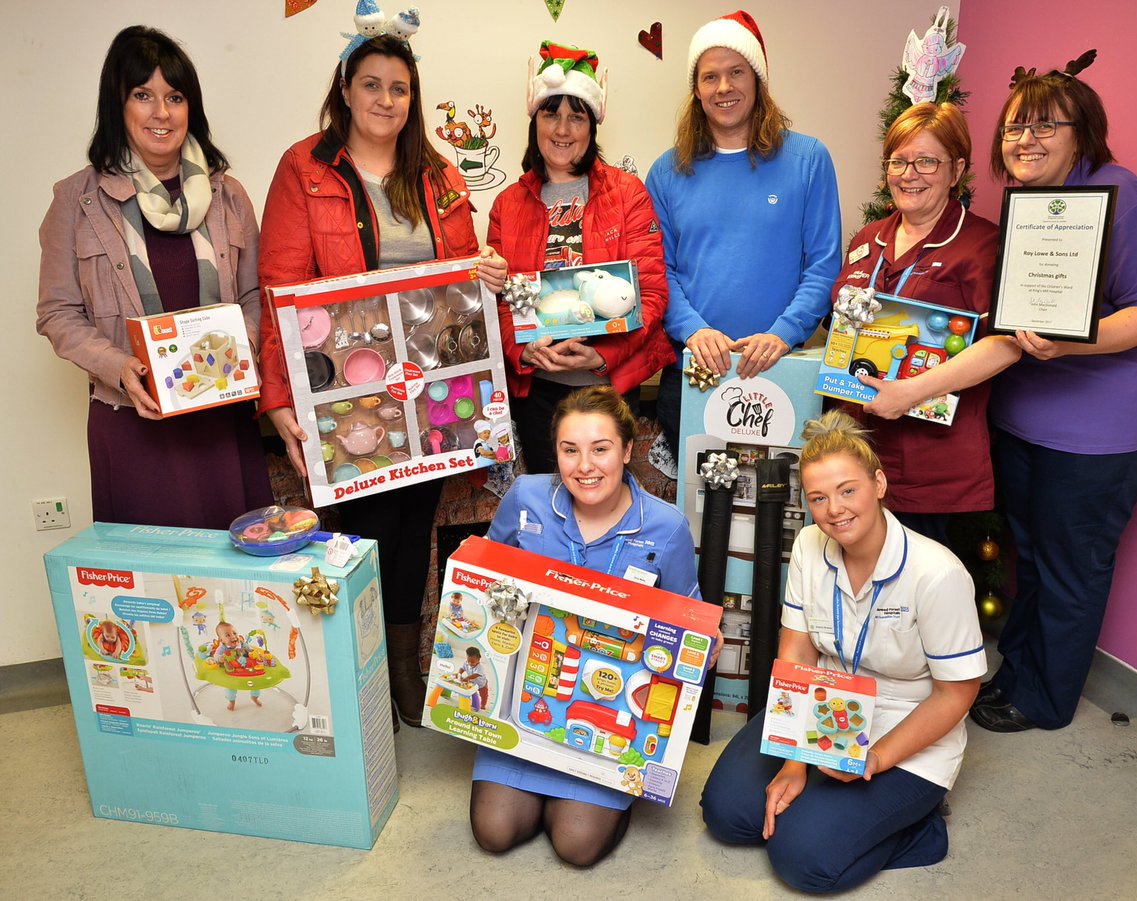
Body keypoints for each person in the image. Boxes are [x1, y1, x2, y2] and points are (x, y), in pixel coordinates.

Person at [255, 27, 507, 729]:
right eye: (371, 84)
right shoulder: (303, 168)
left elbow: (461, 275)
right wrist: (279, 400)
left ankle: (402, 670)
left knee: (413, 525)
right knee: (367, 525)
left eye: (399, 88)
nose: (386, 100)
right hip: (347, 385)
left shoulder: (439, 173)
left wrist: (485, 269)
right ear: (344, 88)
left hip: (429, 392)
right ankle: (366, 678)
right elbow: (279, 286)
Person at [969, 52, 1137, 733]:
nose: (1023, 141)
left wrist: (1072, 340)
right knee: (1031, 556)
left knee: (1070, 564)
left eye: (1042, 126)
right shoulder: (1030, 205)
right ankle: (1021, 669)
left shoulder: (1127, 198)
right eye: (1012, 129)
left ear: (1082, 133)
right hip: (1029, 419)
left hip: (1103, 431)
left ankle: (1045, 698)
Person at [701, 410, 985, 893]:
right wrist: (796, 759)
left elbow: (956, 695)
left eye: (848, 490)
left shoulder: (937, 573)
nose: (835, 509)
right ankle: (831, 809)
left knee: (802, 860)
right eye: (818, 497)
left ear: (878, 482)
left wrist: (873, 760)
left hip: (903, 725)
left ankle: (920, 828)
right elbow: (795, 655)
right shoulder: (811, 545)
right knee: (728, 817)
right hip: (823, 708)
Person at [36, 25, 272, 528]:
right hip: (133, 422)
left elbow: (255, 295)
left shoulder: (229, 197)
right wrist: (120, 365)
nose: (161, 113)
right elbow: (57, 313)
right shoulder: (75, 203)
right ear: (117, 104)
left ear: (192, 108)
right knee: (152, 590)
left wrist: (239, 347)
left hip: (221, 421)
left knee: (237, 580)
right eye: (143, 95)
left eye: (175, 97)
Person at [470, 386, 702, 867]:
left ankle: (603, 792)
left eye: (601, 449)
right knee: (495, 832)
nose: (585, 466)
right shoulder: (526, 497)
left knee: (575, 846)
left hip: (609, 705)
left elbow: (689, 616)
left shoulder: (666, 526)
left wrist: (701, 645)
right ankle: (536, 781)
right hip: (529, 694)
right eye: (569, 450)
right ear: (554, 451)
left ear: (627, 450)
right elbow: (483, 574)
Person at [646, 10, 841, 463]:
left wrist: (782, 334)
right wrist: (693, 330)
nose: (724, 87)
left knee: (777, 516)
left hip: (782, 368)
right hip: (694, 371)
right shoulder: (667, 171)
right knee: (698, 516)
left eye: (736, 72)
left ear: (758, 79)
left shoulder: (808, 160)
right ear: (696, 91)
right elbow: (659, 270)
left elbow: (823, 264)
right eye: (709, 76)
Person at [488, 40, 674, 474]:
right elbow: (495, 303)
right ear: (535, 120)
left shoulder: (627, 195)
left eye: (577, 116)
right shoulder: (507, 205)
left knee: (605, 503)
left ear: (593, 126)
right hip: (537, 394)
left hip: (607, 388)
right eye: (552, 113)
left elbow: (651, 294)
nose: (563, 128)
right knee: (546, 510)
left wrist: (603, 357)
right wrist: (525, 352)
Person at [830, 102, 999, 546]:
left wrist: (910, 393)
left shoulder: (981, 244)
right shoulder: (869, 239)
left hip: (932, 466)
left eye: (927, 161)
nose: (910, 174)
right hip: (858, 453)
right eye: (899, 161)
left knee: (918, 598)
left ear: (956, 169)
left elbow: (1005, 345)